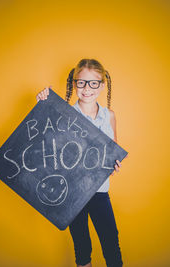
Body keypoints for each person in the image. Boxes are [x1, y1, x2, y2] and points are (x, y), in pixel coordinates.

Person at [36, 58, 127, 267]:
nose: (87, 89)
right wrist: (43, 103)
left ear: (102, 86)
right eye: (81, 82)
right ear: (74, 83)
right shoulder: (62, 114)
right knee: (82, 246)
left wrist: (115, 164)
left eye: (93, 83)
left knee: (111, 242)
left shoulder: (109, 116)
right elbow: (44, 145)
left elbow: (113, 148)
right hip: (71, 193)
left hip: (99, 190)